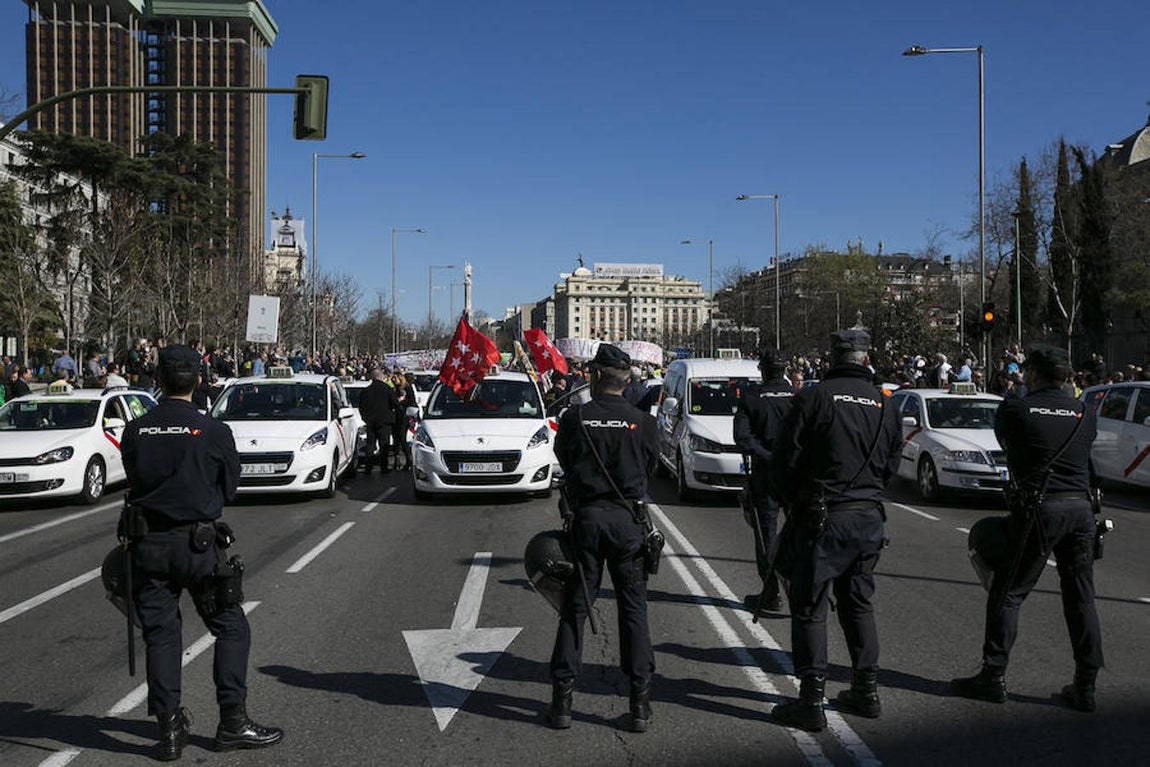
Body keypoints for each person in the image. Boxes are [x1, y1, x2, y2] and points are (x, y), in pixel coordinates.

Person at [120, 345, 282, 761]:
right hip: (197, 546)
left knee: (161, 636)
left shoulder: (136, 430)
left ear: (158, 379)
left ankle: (170, 730)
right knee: (231, 627)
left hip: (149, 545)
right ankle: (232, 721)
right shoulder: (212, 430)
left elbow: (134, 477)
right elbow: (230, 487)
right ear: (198, 379)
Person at [952, 344, 1103, 712]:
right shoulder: (1085, 412)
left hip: (1040, 509)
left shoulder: (1017, 409)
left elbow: (1008, 444)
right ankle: (1086, 684)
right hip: (1081, 509)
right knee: (1081, 597)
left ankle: (993, 676)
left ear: (1032, 373)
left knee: (1008, 592)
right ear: (1067, 376)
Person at [768, 329, 903, 732]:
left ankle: (811, 700)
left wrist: (794, 501)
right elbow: (892, 464)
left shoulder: (815, 397)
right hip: (867, 516)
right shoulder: (885, 403)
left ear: (833, 357)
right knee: (858, 603)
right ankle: (867, 690)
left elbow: (784, 460)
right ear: (866, 359)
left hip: (822, 516)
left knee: (810, 607)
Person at [548, 343, 660, 733]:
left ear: (596, 376)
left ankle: (562, 701)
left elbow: (564, 458)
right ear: (626, 381)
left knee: (575, 609)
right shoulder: (643, 422)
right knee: (634, 610)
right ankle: (640, 703)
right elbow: (649, 467)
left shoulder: (575, 418)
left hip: (588, 521)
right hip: (628, 522)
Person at [733, 347, 794, 616]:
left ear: (762, 370)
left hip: (766, 473)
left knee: (766, 535)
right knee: (799, 532)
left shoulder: (752, 397)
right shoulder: (798, 397)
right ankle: (799, 588)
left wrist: (767, 456)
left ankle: (771, 593)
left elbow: (742, 437)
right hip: (794, 474)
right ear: (785, 369)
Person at [358, 367, 399, 473]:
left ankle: (368, 466)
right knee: (384, 444)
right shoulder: (387, 389)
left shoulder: (366, 391)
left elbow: (361, 406)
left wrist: (365, 417)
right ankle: (383, 466)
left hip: (370, 421)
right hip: (385, 421)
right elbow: (395, 403)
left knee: (370, 444)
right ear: (381, 377)